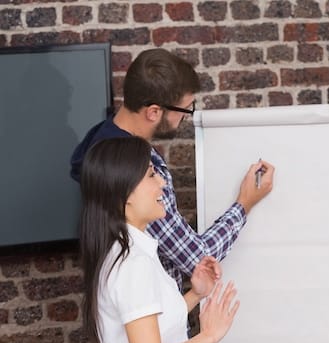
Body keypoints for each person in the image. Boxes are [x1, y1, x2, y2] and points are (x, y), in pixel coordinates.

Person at [70, 48, 275, 290]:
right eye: (185, 109)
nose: (187, 117)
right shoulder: (133, 174)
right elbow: (199, 259)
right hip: (153, 316)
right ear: (154, 112)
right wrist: (245, 203)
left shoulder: (103, 141)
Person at [80, 136, 240, 343]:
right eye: (151, 175)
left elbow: (151, 324)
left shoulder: (128, 253)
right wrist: (209, 336)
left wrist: (196, 294)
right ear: (124, 194)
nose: (162, 184)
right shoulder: (132, 263)